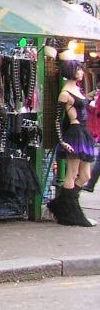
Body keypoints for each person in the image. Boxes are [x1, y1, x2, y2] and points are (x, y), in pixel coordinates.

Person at [47, 58, 96, 227]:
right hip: (74, 134)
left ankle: (63, 205)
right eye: (79, 70)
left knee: (85, 176)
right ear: (71, 72)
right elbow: (57, 119)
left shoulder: (77, 89)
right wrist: (61, 141)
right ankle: (71, 212)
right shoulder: (65, 93)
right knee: (72, 174)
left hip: (83, 132)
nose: (82, 72)